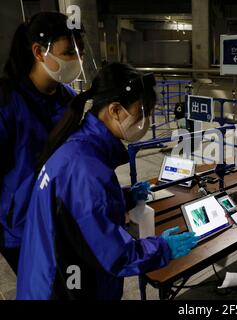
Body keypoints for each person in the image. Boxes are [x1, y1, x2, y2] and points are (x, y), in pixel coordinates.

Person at [16, 62, 198, 300]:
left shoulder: (81, 149)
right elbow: (113, 254)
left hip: (49, 275)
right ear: (115, 110)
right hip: (61, 289)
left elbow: (77, 212)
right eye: (143, 112)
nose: (148, 121)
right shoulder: (86, 168)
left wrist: (123, 198)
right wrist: (162, 248)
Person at [0, 12, 85, 274]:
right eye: (69, 52)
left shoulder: (71, 100)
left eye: (80, 52)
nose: (77, 61)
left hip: (62, 220)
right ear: (39, 51)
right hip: (22, 227)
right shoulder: (7, 102)